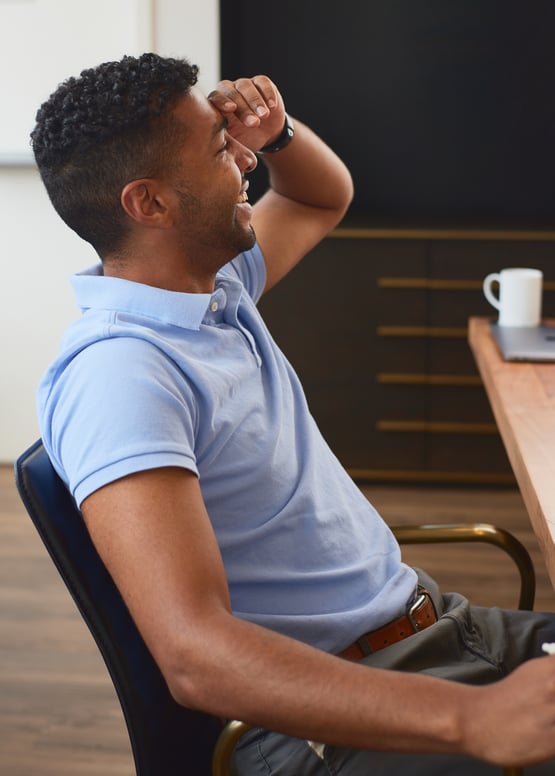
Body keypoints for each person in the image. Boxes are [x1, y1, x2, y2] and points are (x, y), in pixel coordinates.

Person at [31, 52, 555, 774]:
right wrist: (471, 717)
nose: (245, 159)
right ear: (149, 203)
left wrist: (278, 135)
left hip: (438, 637)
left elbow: (317, 199)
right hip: (331, 720)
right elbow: (194, 656)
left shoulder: (214, 291)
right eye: (221, 149)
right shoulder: (122, 375)